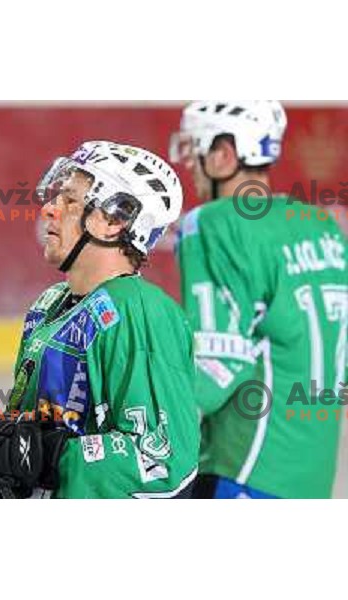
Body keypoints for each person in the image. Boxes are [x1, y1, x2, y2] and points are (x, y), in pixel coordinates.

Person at [0, 140, 200, 499]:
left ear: (114, 220)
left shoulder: (139, 311)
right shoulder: (50, 305)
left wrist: (44, 455)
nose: (49, 209)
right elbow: (36, 433)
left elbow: (161, 461)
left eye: (70, 201)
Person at [170, 101, 348, 499]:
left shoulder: (213, 222)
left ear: (224, 155)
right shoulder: (322, 225)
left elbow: (216, 365)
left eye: (197, 152)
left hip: (243, 469)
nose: (192, 167)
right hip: (313, 479)